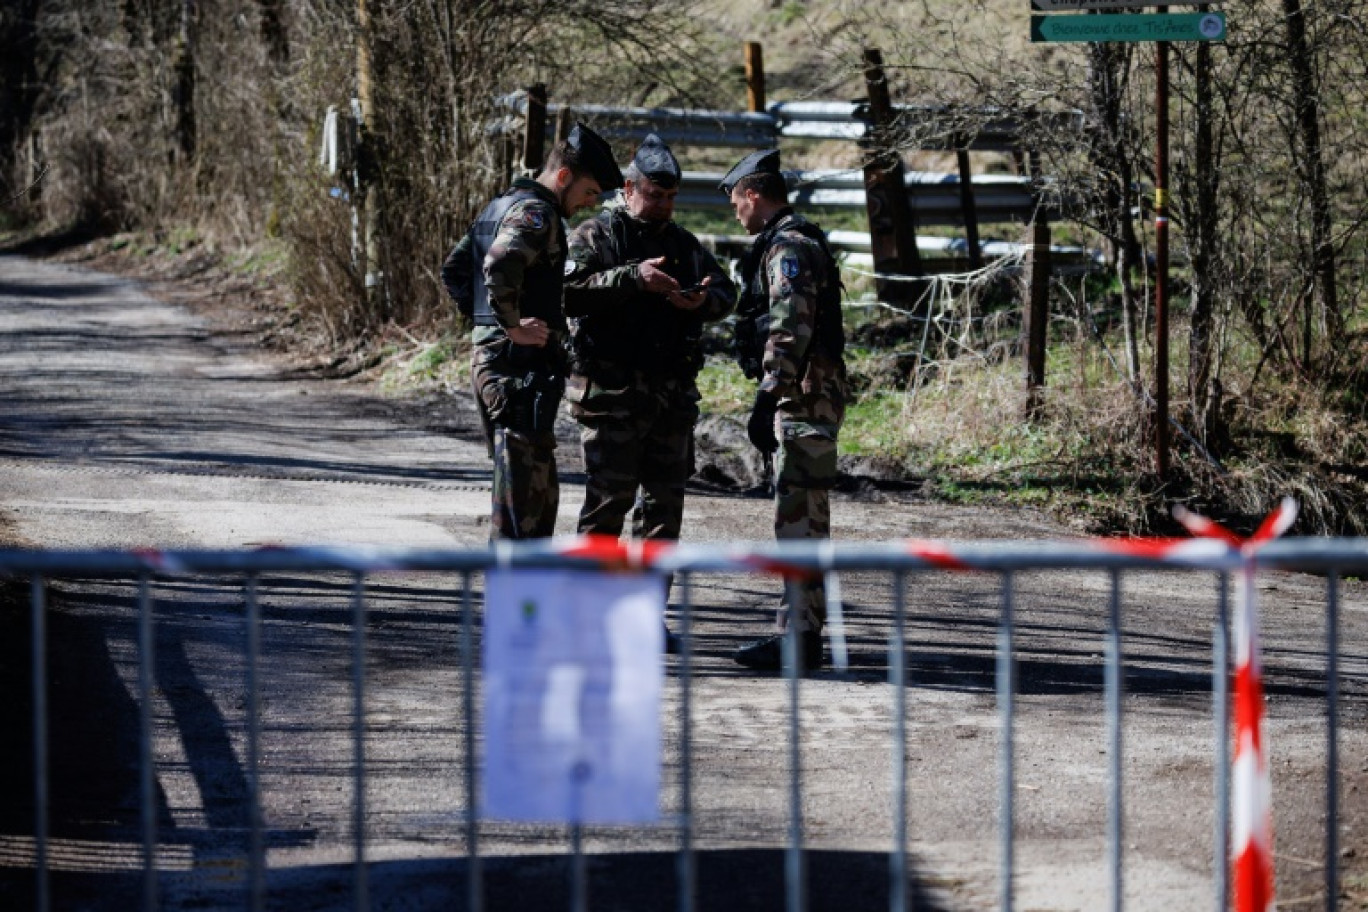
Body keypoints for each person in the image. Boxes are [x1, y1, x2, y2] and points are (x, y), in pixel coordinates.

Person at [562, 134, 737, 649]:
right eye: (654, 195)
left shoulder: (682, 244)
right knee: (606, 509)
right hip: (612, 396)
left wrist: (699, 302)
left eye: (670, 197)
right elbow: (566, 293)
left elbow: (726, 291)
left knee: (663, 516)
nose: (663, 205)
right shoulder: (595, 234)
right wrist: (631, 279)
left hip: (670, 400)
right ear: (630, 189)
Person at [441, 123, 623, 540]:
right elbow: (499, 264)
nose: (591, 204)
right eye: (590, 192)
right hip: (516, 371)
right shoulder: (536, 213)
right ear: (563, 177)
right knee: (524, 508)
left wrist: (487, 326)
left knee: (525, 497)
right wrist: (511, 327)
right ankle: (511, 601)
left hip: (501, 367)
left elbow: (455, 270)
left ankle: (517, 600)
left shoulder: (500, 205)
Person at [720, 148, 847, 672]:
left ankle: (799, 637)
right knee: (802, 515)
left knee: (799, 516)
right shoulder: (792, 239)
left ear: (754, 194)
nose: (735, 213)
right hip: (808, 389)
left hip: (804, 392)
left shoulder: (786, 248)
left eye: (735, 202)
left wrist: (767, 394)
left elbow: (789, 325)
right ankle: (802, 632)